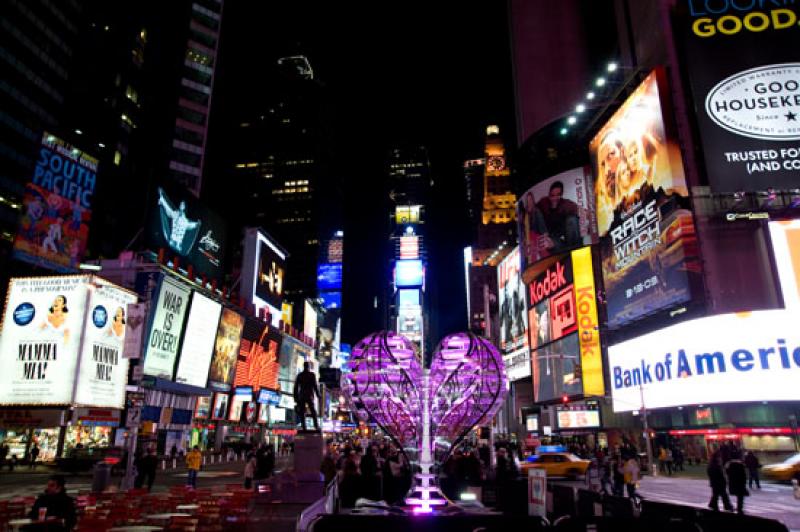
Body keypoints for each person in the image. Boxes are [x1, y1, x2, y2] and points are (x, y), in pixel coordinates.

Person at [293, 362, 321, 431]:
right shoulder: (311, 375)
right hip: (308, 395)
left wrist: (295, 397)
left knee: (303, 412)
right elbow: (315, 386)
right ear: (308, 367)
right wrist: (318, 395)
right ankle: (315, 425)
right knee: (312, 411)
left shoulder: (300, 375)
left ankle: (304, 426)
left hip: (302, 396)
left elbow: (295, 388)